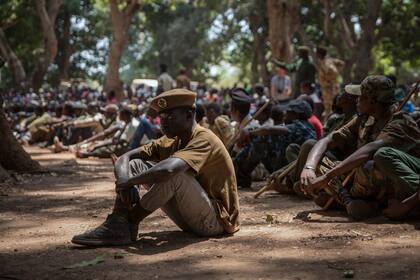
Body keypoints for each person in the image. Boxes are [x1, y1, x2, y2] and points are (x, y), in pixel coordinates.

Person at [71, 89, 240, 246]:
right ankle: (119, 221)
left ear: (189, 116)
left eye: (170, 117)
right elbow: (125, 157)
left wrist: (130, 181)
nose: (163, 123)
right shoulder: (172, 139)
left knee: (174, 173)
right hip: (191, 216)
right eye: (161, 117)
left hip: (216, 221)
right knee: (136, 165)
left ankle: (126, 222)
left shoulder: (204, 138)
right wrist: (125, 180)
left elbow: (168, 170)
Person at [300, 75, 420, 220]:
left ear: (372, 101)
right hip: (364, 181)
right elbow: (328, 140)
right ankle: (350, 201)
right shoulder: (365, 117)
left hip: (396, 184)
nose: (357, 100)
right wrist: (309, 167)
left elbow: (370, 149)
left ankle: (355, 201)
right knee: (315, 151)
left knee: (372, 163)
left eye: (361, 97)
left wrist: (327, 177)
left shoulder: (400, 122)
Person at [234, 99, 316, 189]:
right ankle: (240, 171)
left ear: (296, 115)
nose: (285, 114)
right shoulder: (307, 126)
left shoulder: (301, 127)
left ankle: (240, 174)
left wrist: (250, 133)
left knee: (263, 140)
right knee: (265, 138)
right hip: (293, 166)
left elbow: (268, 130)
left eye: (288, 112)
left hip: (294, 170)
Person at [315, 47, 344, 117]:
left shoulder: (326, 62)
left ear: (319, 54)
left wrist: (328, 81)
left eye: (317, 54)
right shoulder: (329, 60)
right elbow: (341, 63)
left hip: (329, 89)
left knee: (330, 108)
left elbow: (333, 71)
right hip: (329, 88)